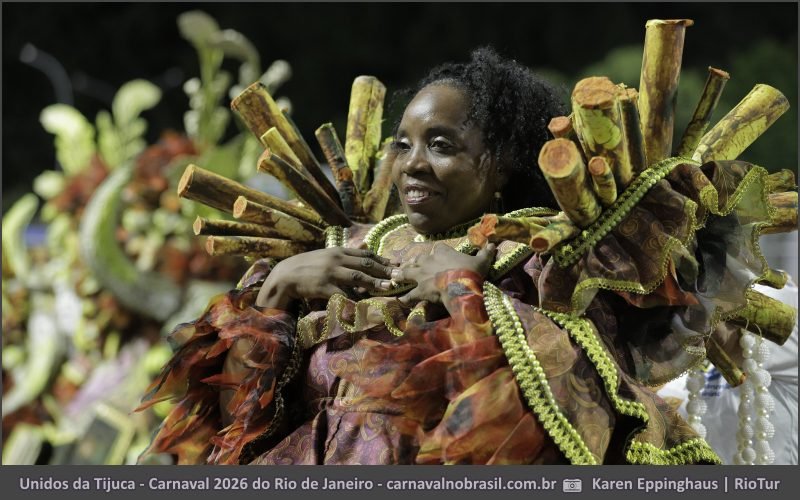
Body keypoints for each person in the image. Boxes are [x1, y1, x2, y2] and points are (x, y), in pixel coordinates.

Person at [137, 47, 781, 465]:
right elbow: (236, 429)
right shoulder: (333, 254)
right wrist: (277, 288)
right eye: (403, 143)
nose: (413, 164)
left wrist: (461, 290)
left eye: (441, 145)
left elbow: (555, 420)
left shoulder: (536, 259)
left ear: (500, 164)